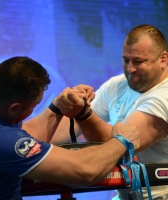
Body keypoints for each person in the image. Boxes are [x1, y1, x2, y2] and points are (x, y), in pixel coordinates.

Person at [0, 56, 140, 200]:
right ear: (14, 108)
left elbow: (25, 134)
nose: (33, 110)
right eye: (34, 106)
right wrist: (121, 140)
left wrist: (58, 106)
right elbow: (84, 170)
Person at [52, 24, 168, 200]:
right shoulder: (117, 84)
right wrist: (29, 145)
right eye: (125, 60)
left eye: (138, 61)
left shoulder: (164, 96)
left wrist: (82, 112)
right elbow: (72, 124)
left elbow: (120, 145)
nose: (130, 69)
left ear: (163, 59)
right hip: (125, 195)